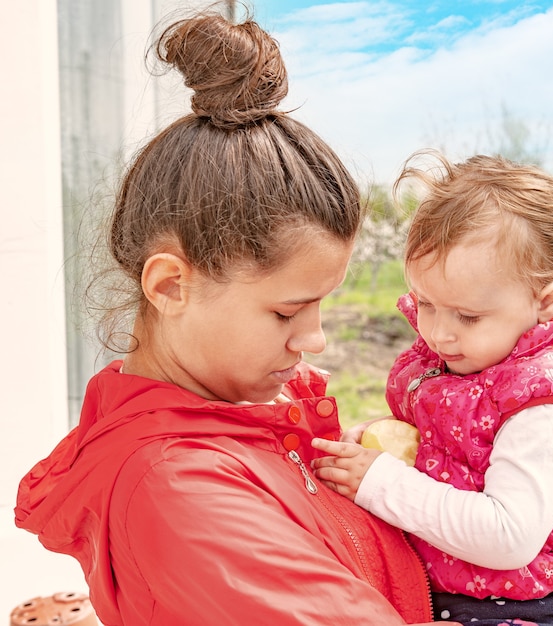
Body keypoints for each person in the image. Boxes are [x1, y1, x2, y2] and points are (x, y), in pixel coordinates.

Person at [13, 11, 459, 626]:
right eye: (286, 310)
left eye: (321, 303)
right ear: (172, 286)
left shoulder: (236, 409)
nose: (316, 338)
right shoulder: (176, 490)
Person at [312, 151, 553, 626]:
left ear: (545, 303)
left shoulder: (545, 408)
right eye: (427, 304)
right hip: (442, 588)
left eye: (468, 316)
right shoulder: (466, 360)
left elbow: (508, 536)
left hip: (515, 611)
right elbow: (453, 447)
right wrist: (384, 438)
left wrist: (381, 481)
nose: (440, 333)